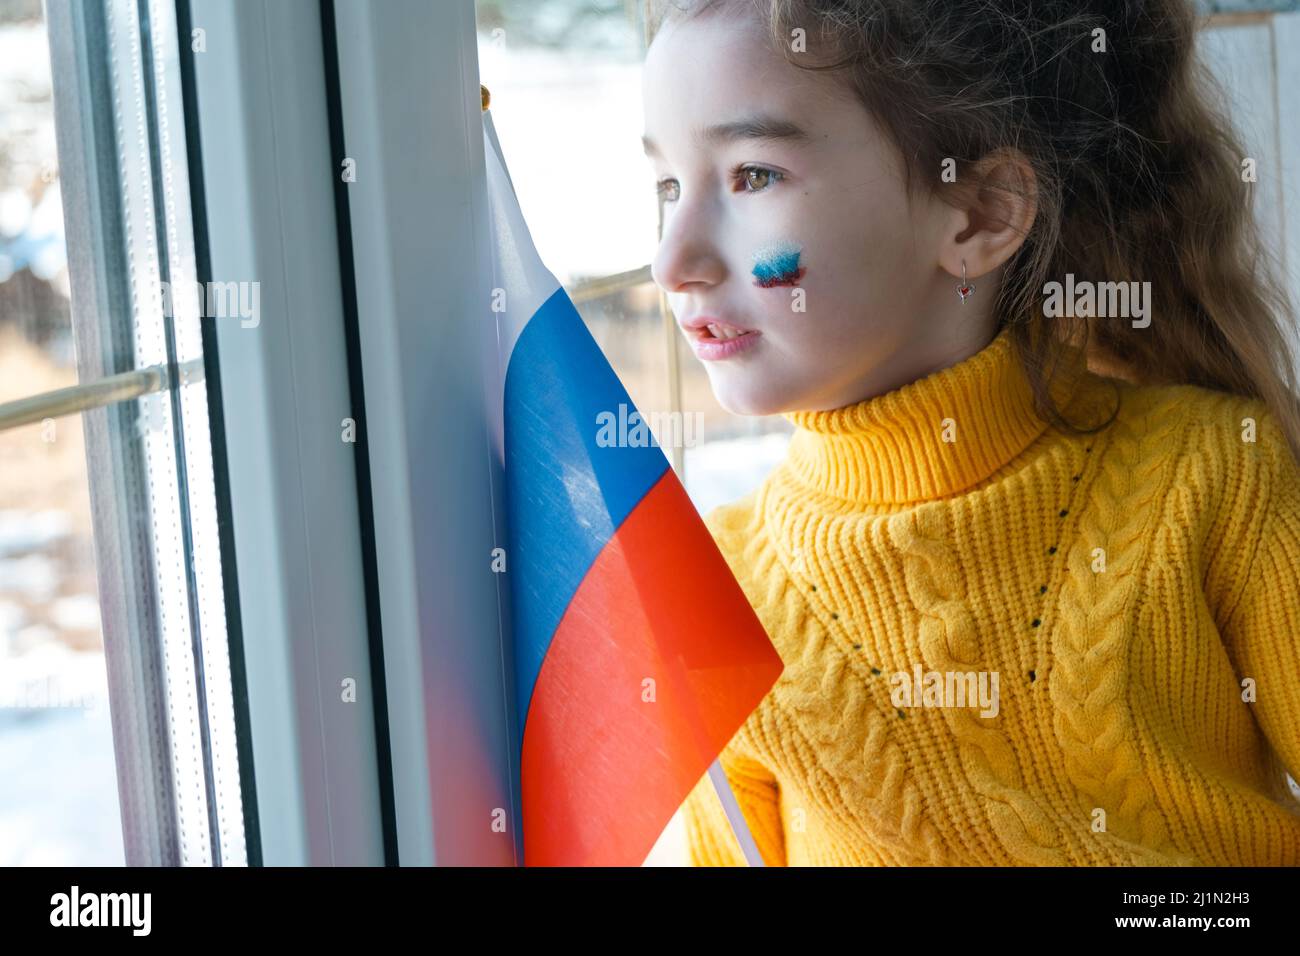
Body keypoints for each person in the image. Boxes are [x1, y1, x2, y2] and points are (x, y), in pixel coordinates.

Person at [641, 0, 1300, 865]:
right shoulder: (715, 591)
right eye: (666, 186)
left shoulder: (1224, 478)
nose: (671, 261)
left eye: (753, 175)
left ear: (982, 216)